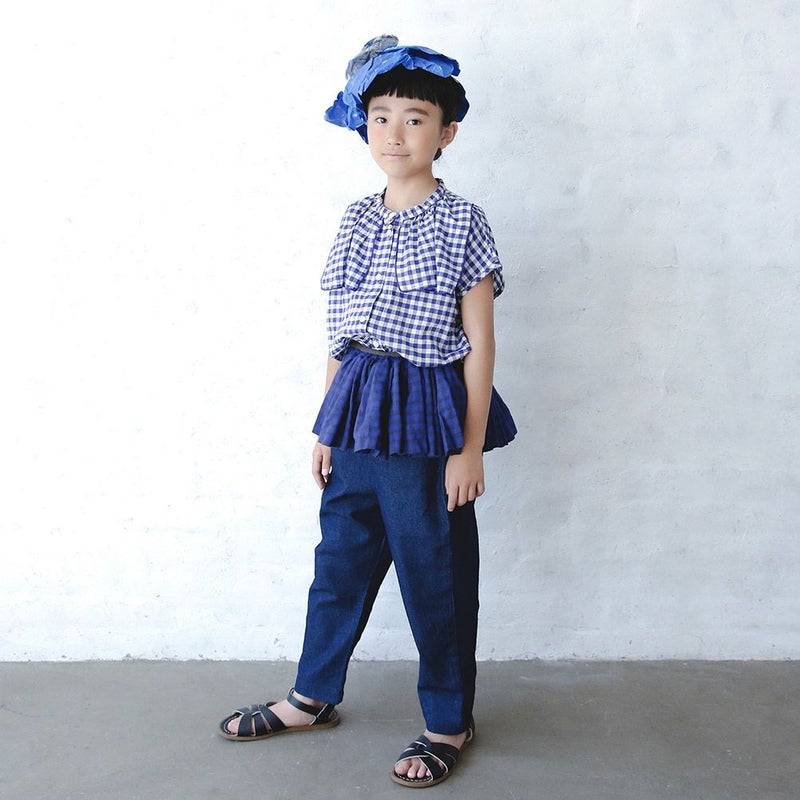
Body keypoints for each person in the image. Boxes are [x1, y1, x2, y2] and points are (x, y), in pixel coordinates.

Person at [217, 35, 516, 789]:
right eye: (380, 117)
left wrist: (468, 449)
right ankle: (312, 695)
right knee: (340, 561)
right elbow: (340, 335)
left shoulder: (463, 222)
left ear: (446, 133)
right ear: (363, 127)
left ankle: (448, 720)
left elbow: (480, 345)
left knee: (435, 572)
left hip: (426, 413)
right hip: (356, 409)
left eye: (415, 119)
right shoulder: (354, 219)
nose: (395, 134)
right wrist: (326, 426)